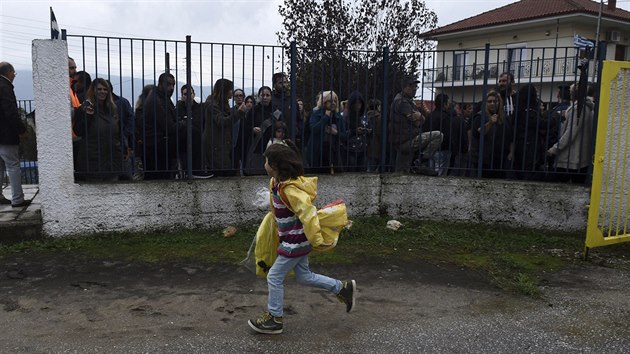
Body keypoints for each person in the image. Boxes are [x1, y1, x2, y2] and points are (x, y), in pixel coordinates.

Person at [247, 139, 355, 335]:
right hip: (292, 238)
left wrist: (317, 239)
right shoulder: (277, 183)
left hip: (295, 242)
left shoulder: (291, 190)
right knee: (304, 277)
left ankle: (274, 318)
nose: (263, 165)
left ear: (273, 166)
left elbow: (308, 212)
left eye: (265, 162)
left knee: (274, 276)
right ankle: (342, 288)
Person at [73, 78, 126, 181]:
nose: (103, 92)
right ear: (93, 91)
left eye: (105, 89)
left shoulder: (113, 109)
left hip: (112, 158)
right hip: (93, 159)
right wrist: (88, 116)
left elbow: (118, 131)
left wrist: (123, 148)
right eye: (99, 89)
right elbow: (78, 131)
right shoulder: (85, 108)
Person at [388, 75, 442, 175]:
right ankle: (422, 160)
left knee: (402, 171)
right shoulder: (402, 102)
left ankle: (418, 162)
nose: (414, 89)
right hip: (406, 141)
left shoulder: (406, 100)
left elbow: (421, 120)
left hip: (405, 139)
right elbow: (417, 122)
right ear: (405, 87)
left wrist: (420, 116)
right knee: (438, 135)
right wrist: (420, 118)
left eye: (415, 87)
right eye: (411, 86)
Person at [547, 82, 594, 183]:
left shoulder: (578, 108)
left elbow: (570, 133)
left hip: (571, 158)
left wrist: (554, 149)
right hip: (581, 157)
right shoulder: (587, 108)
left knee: (557, 186)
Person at [0, 62, 30, 207]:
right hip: (6, 134)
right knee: (13, 165)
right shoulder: (5, 87)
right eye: (14, 73)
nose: (14, 76)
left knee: (0, 166)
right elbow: (11, 112)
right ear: (9, 72)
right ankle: (18, 199)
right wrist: (21, 130)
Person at [142, 73, 182, 179]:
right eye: (168, 84)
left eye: (173, 85)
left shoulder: (161, 97)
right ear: (160, 84)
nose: (171, 88)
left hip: (160, 146)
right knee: (160, 181)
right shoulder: (157, 101)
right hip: (157, 148)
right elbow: (169, 127)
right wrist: (183, 123)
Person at [204, 78, 246, 176]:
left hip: (223, 145)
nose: (232, 91)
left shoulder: (222, 103)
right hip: (216, 146)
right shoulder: (212, 105)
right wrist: (239, 113)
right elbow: (222, 122)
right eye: (230, 89)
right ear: (224, 90)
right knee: (220, 173)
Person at [470, 90, 514, 178]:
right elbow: (478, 133)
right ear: (486, 103)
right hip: (484, 160)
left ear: (499, 102)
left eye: (495, 101)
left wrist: (511, 153)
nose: (492, 103)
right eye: (489, 101)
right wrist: (490, 123)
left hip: (501, 159)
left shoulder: (505, 118)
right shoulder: (480, 117)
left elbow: (511, 137)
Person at [305, 91, 347, 174]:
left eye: (335, 101)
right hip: (318, 152)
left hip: (334, 153)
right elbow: (314, 129)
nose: (333, 103)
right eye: (330, 101)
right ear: (324, 102)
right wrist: (326, 117)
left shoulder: (338, 117)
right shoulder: (316, 114)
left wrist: (336, 133)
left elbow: (344, 136)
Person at [512, 84, 542, 180]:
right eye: (536, 92)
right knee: (527, 171)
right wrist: (554, 119)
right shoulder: (529, 111)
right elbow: (539, 123)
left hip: (521, 142)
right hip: (528, 144)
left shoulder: (520, 107)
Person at [176, 85, 207, 176]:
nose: (188, 96)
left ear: (194, 94)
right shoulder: (178, 108)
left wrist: (185, 122)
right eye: (185, 94)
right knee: (184, 164)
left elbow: (200, 124)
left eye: (190, 93)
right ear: (182, 96)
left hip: (197, 142)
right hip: (182, 142)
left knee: (196, 165)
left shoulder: (200, 108)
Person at [243, 86, 275, 175]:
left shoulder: (276, 110)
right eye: (262, 95)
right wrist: (252, 129)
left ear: (271, 97)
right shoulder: (253, 110)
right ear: (259, 96)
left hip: (272, 144)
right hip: (257, 143)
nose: (265, 97)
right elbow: (246, 126)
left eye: (267, 95)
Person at [341, 90, 370, 172]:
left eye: (360, 103)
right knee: (351, 171)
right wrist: (354, 131)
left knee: (362, 171)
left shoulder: (364, 116)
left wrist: (367, 130)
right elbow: (342, 134)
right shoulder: (345, 116)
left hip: (363, 148)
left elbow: (369, 127)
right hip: (349, 149)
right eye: (356, 103)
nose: (358, 106)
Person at [366, 99, 382, 172]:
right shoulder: (379, 117)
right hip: (377, 145)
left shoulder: (366, 116)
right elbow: (379, 132)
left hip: (367, 144)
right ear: (378, 106)